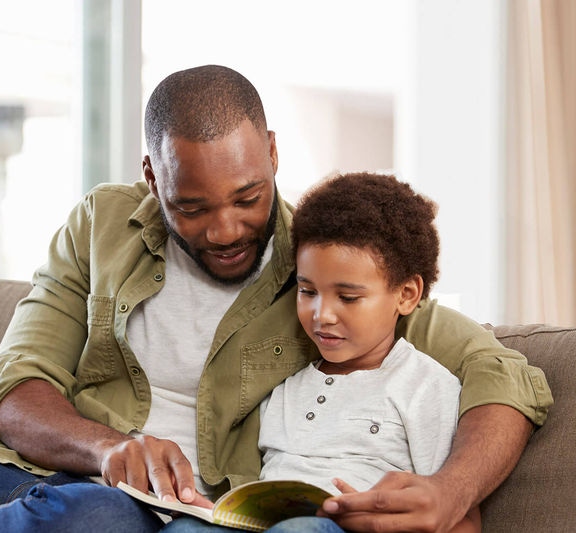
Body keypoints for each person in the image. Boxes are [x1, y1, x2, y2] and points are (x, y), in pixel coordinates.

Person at [0, 65, 551, 532]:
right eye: (193, 206)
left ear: (273, 153)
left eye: (245, 198)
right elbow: (13, 384)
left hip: (177, 513)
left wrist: (448, 489)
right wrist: (109, 446)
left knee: (84, 522)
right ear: (150, 175)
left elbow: (503, 375)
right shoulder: (102, 225)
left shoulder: (328, 265)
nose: (227, 228)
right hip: (40, 473)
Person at [163, 172, 479, 533]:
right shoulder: (284, 385)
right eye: (308, 291)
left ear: (406, 295)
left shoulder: (425, 385)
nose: (321, 315)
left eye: (347, 297)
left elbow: (461, 519)